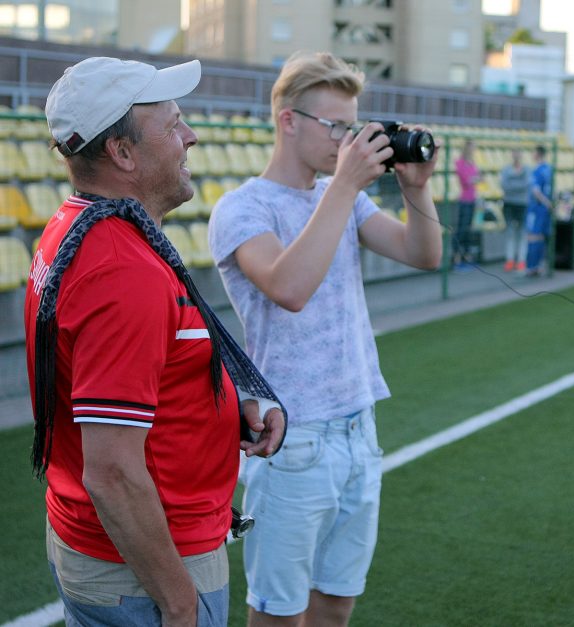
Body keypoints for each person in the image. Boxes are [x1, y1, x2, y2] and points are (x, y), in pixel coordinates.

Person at [24, 57, 285, 626]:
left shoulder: (80, 227)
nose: (190, 136)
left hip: (111, 550)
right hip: (145, 570)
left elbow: (132, 376)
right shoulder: (122, 270)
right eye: (172, 125)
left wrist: (223, 410)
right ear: (122, 153)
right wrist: (179, 599)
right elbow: (112, 472)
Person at [207, 51, 441, 627]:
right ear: (289, 120)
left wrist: (417, 188)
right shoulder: (242, 207)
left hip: (359, 425)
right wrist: (342, 185)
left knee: (336, 602)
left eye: (352, 126)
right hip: (292, 437)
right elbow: (289, 286)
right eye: (336, 126)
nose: (347, 140)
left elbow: (423, 253)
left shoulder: (344, 196)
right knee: (279, 612)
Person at [524, 144, 553, 277]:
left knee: (532, 236)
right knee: (540, 236)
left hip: (536, 207)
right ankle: (539, 266)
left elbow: (536, 191)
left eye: (533, 152)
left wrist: (545, 202)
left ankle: (531, 268)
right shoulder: (549, 169)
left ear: (538, 154)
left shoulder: (536, 171)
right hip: (545, 208)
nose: (532, 155)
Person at [499, 148, 529, 272]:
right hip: (509, 204)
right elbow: (503, 185)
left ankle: (521, 261)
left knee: (522, 232)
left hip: (522, 204)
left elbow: (526, 184)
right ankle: (510, 260)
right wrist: (518, 182)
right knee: (510, 232)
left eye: (518, 152)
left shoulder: (527, 169)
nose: (516, 154)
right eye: (514, 152)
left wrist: (513, 183)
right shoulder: (506, 169)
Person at [453, 138, 480, 270]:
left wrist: (475, 179)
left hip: (472, 199)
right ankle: (457, 258)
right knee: (462, 230)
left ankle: (467, 258)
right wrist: (475, 179)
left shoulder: (472, 163)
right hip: (464, 200)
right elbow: (467, 180)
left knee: (468, 229)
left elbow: (476, 178)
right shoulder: (460, 162)